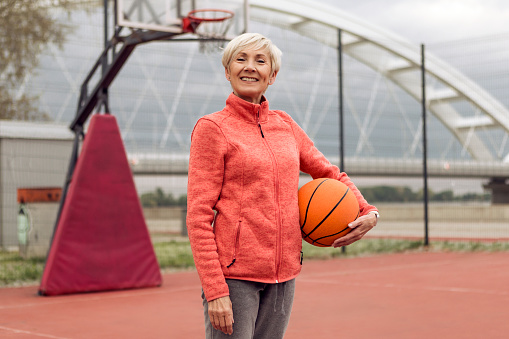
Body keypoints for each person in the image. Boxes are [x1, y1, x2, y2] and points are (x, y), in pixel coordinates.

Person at [186, 32, 379, 338]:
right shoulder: (212, 129)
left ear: (272, 75)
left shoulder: (285, 125)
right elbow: (198, 216)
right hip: (234, 278)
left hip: (283, 276)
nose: (250, 67)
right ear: (227, 71)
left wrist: (368, 211)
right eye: (241, 59)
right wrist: (215, 290)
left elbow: (328, 173)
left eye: (260, 60)